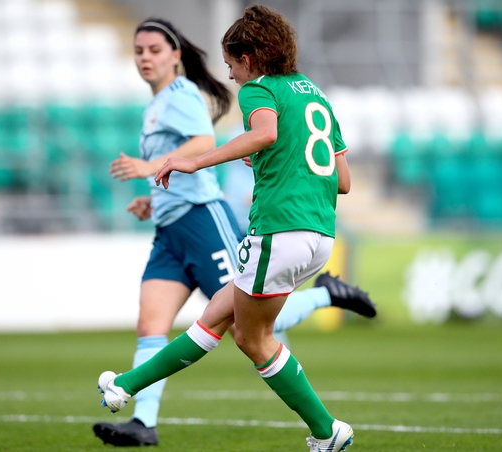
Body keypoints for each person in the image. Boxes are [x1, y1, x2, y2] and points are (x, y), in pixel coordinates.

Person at [93, 16, 374, 449]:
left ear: (248, 58)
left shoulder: (259, 88)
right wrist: (274, 159)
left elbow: (264, 133)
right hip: (320, 235)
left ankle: (327, 430)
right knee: (218, 315)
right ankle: (125, 386)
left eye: (231, 64)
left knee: (252, 337)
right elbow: (343, 181)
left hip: (278, 229)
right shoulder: (312, 92)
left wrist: (195, 161)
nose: (229, 74)